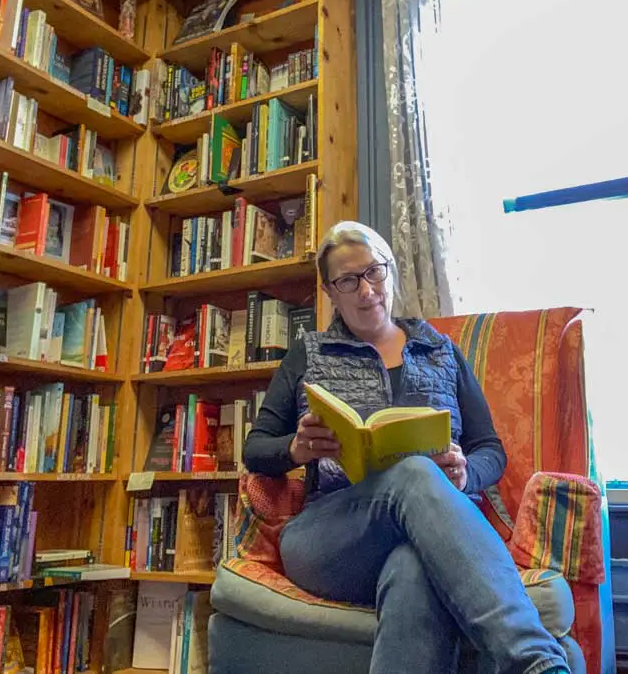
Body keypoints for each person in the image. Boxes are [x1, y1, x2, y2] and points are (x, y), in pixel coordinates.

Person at [243, 221, 571, 674]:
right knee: (417, 472)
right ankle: (535, 663)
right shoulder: (309, 353)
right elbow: (255, 449)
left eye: (374, 273)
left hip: (432, 532)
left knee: (414, 568)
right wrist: (297, 449)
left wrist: (466, 472)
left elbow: (489, 449)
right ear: (330, 292)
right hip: (332, 536)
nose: (366, 290)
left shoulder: (442, 352)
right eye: (347, 281)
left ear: (391, 272)